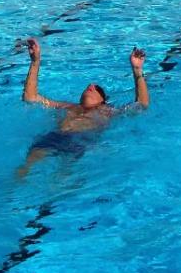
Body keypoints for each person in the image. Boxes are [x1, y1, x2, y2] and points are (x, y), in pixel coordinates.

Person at [16, 37, 147, 175]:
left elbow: (141, 105)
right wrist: (35, 62)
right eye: (88, 86)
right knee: (26, 168)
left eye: (97, 88)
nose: (91, 85)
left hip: (80, 141)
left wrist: (137, 71)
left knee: (62, 177)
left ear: (102, 100)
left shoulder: (107, 111)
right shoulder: (67, 106)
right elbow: (30, 98)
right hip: (55, 137)